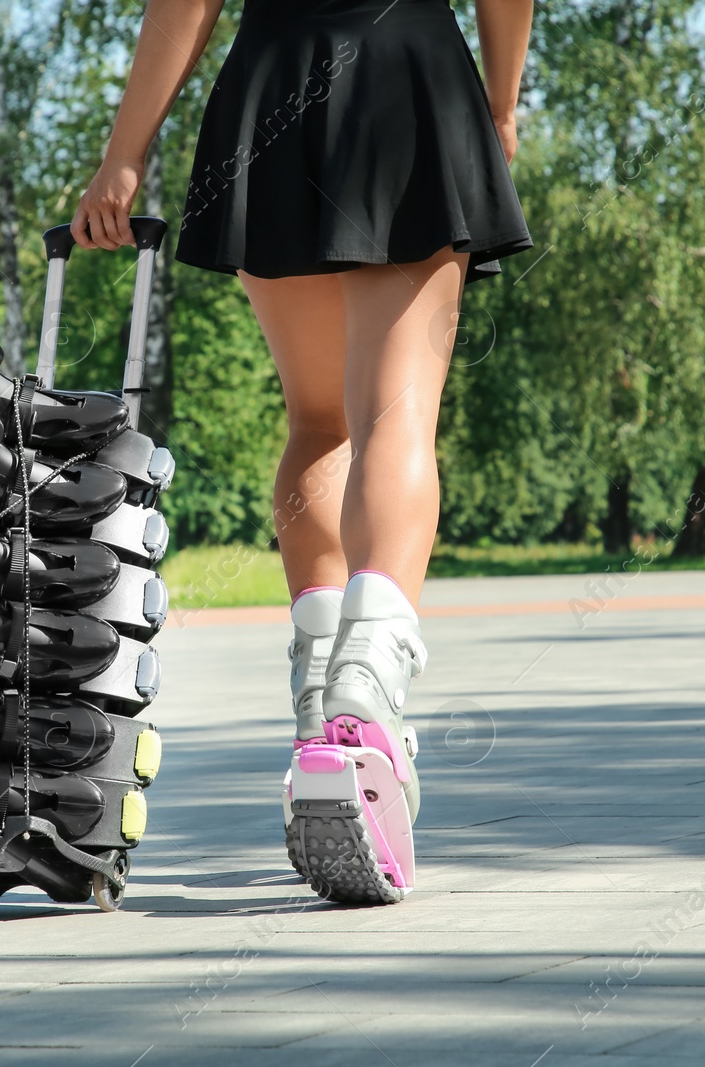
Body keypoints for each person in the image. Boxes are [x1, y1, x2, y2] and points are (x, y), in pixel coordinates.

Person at [71, 0, 535, 903]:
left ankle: (320, 699)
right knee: (395, 414)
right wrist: (503, 101)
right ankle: (367, 693)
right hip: (410, 72)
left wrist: (123, 155)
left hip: (274, 81)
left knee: (320, 421)